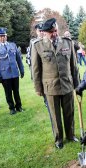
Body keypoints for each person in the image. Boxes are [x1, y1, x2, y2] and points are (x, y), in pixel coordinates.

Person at [31, 18, 80, 149]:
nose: (54, 34)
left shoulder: (67, 43)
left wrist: (77, 84)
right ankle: (59, 139)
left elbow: (73, 66)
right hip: (50, 87)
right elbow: (36, 70)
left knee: (69, 112)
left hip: (67, 84)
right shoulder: (38, 45)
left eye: (56, 30)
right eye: (51, 32)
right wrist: (38, 88)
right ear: (45, 33)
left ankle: (71, 135)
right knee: (55, 115)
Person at [0, 27, 24, 115]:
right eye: (1, 36)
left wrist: (22, 70)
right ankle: (12, 108)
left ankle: (19, 106)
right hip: (4, 74)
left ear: (6, 36)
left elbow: (18, 59)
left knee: (16, 91)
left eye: (4, 36)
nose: (3, 38)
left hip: (15, 73)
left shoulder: (12, 45)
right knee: (8, 93)